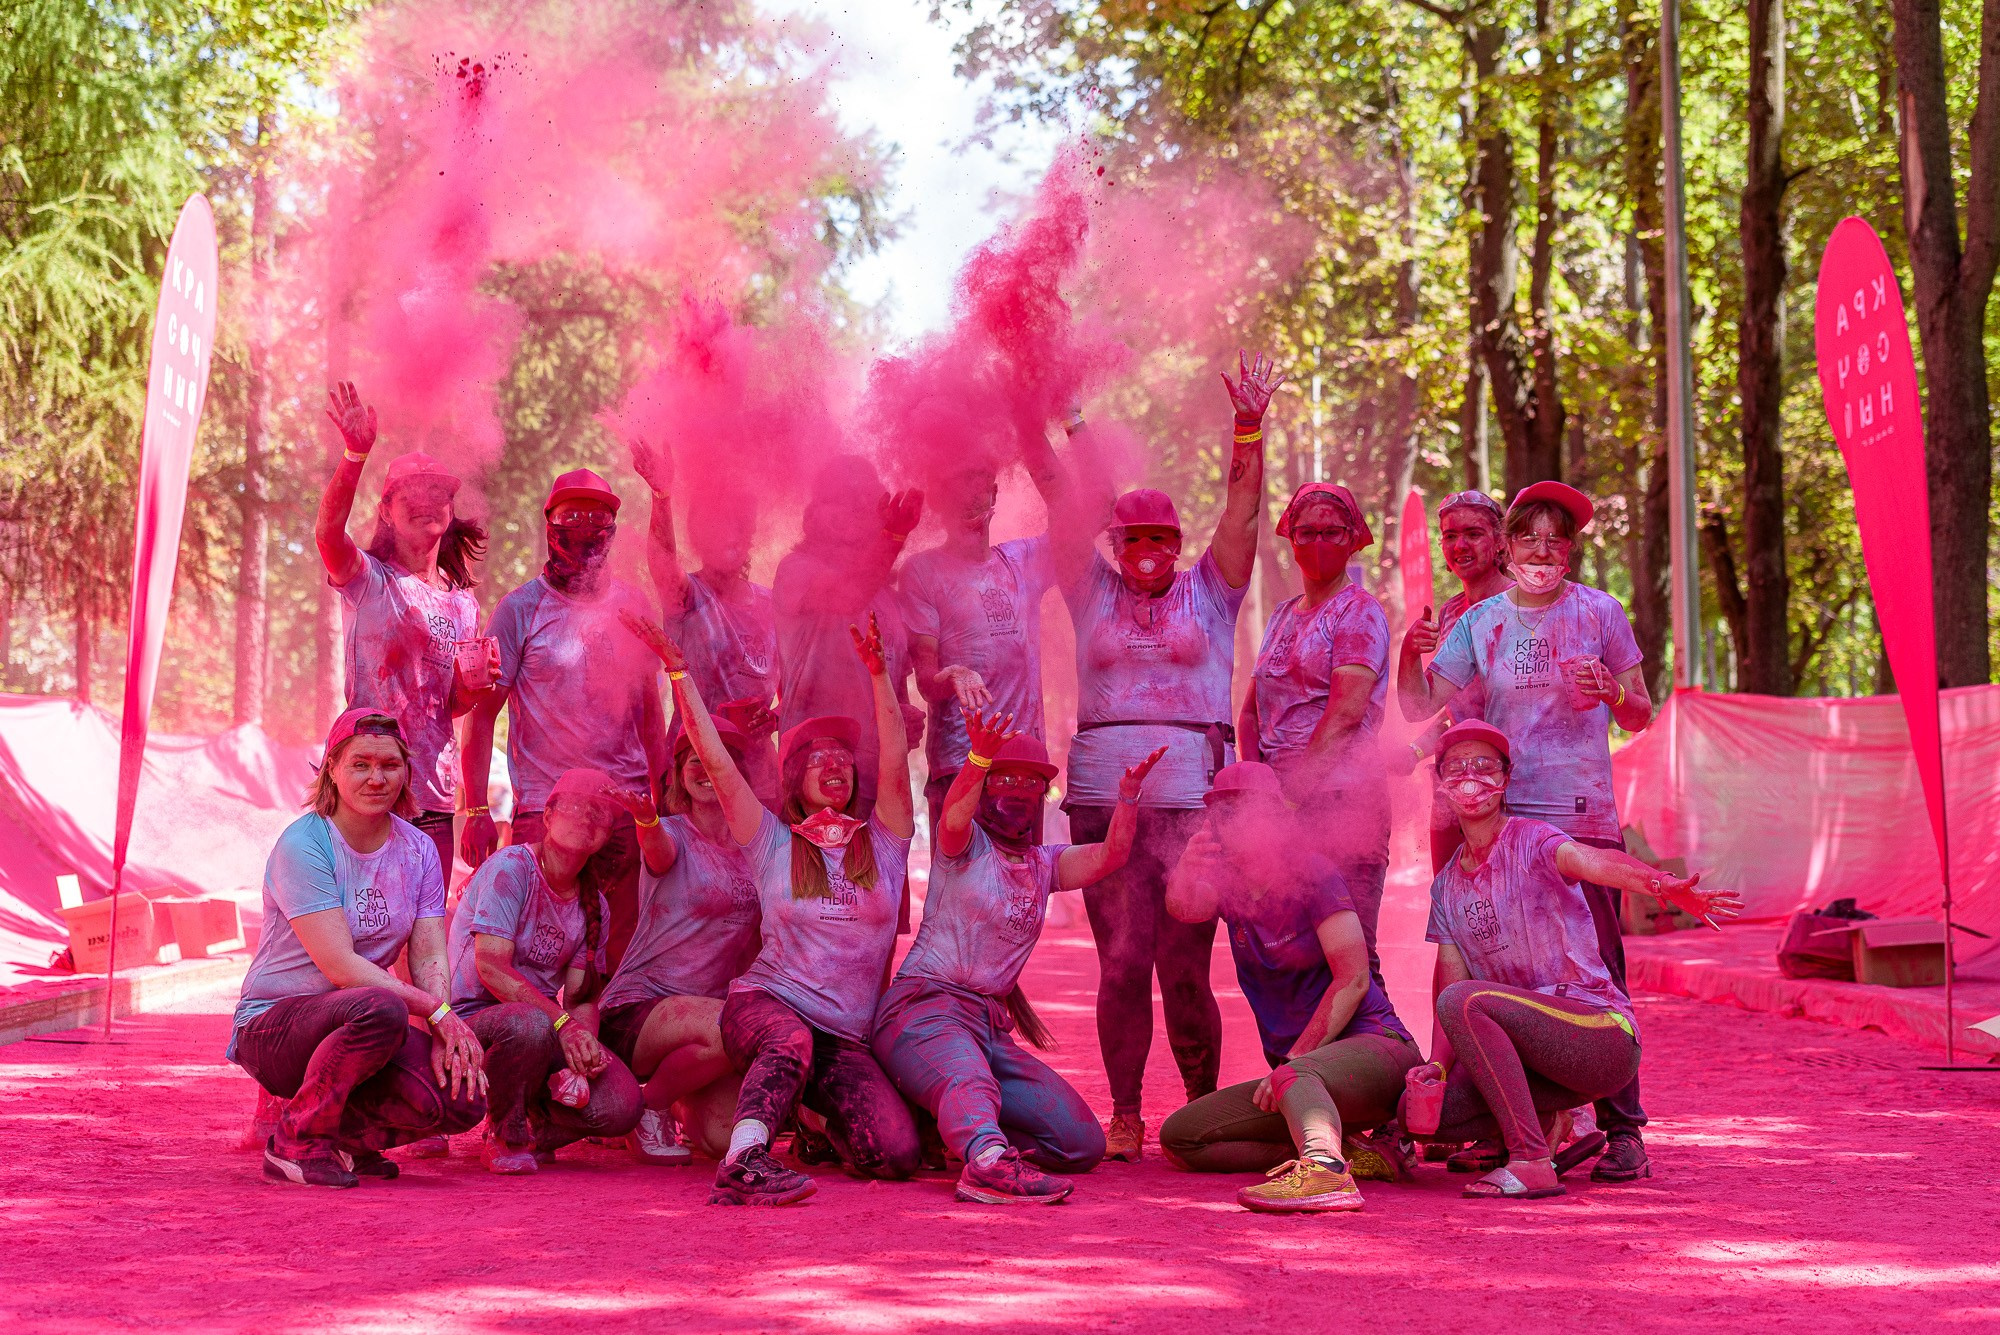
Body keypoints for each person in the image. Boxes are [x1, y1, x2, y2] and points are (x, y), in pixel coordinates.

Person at [1050, 350, 1283, 1161]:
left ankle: (1198, 1106)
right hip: (1103, 799)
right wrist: (1074, 424)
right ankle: (1123, 1111)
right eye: (1131, 537)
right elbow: (1067, 502)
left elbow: (1244, 514)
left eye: (1159, 536)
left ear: (1177, 541)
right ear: (1114, 543)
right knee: (1120, 962)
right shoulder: (1088, 588)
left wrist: (1248, 428)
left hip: (1191, 804)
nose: (1145, 548)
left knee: (1185, 965)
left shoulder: (1210, 591)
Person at [1397, 479, 1661, 1182]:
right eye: (1529, 537)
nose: (1542, 549)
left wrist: (1613, 692)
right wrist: (1406, 650)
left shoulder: (1601, 612)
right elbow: (1421, 704)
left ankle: (1624, 1128)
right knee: (1510, 966)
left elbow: (1643, 713)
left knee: (1597, 969)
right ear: (1509, 550)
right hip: (1507, 823)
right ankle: (1533, 1120)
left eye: (1556, 537)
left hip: (1584, 818)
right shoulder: (1480, 623)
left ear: (1569, 552)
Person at [622, 606, 920, 1206]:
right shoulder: (770, 840)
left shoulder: (884, 841)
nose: (833, 763)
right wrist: (680, 673)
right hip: (767, 1009)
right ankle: (745, 1163)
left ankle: (811, 1120)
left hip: (841, 1036)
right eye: (816, 759)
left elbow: (894, 762)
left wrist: (881, 676)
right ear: (792, 783)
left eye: (842, 758)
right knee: (788, 1041)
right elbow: (714, 761)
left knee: (894, 1154)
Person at [1414, 720, 1739, 1200]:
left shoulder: (1533, 839)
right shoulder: (1445, 887)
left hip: (1600, 1037)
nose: (1471, 776)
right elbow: (1448, 985)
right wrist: (1437, 1070)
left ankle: (1530, 1160)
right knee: (1421, 1114)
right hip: (1539, 1065)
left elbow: (1593, 860)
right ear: (1441, 788)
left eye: (1485, 765)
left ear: (1505, 780)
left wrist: (1661, 884)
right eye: (1458, 766)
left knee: (1466, 1001)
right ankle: (1549, 1120)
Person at [873, 712, 1164, 1203]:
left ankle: (954, 1128)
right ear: (985, 787)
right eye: (1005, 779)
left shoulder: (1043, 864)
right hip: (924, 1011)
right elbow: (952, 818)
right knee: (967, 1079)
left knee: (1080, 1144)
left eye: (1033, 783)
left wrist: (1129, 795)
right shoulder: (962, 847)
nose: (1019, 790)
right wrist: (977, 758)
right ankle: (986, 1162)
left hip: (988, 1027)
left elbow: (1111, 856)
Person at [229, 708, 486, 1188]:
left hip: (362, 1020)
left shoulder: (419, 850)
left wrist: (443, 1029)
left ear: (407, 771)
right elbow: (340, 966)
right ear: (332, 768)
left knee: (462, 1097)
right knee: (381, 1007)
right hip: (273, 1027)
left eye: (389, 765)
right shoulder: (305, 843)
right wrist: (434, 1013)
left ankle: (348, 1141)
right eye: (360, 764)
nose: (376, 778)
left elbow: (429, 953)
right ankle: (295, 1143)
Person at [1156, 763, 1420, 1214]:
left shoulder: (1313, 873)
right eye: (1223, 813)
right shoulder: (1230, 887)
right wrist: (1184, 868)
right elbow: (1184, 908)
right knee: (1181, 1138)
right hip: (1297, 1081)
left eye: (1243, 810)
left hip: (1378, 1051)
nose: (1231, 824)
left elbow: (1354, 977)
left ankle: (1324, 1171)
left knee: (1294, 1074)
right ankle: (1347, 1154)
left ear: (1275, 817)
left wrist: (1296, 1059)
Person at [461, 468, 669, 970]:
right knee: (536, 948)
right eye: (571, 516)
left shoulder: (632, 605)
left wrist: (663, 803)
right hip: (544, 808)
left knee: (619, 950)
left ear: (614, 530)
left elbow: (650, 714)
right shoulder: (519, 610)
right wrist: (474, 811)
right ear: (549, 523)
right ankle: (540, 1038)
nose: (585, 528)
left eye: (599, 518)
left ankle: (610, 1044)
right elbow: (481, 715)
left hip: (623, 808)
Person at [315, 381, 496, 878]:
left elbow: (451, 704)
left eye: (438, 493)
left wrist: (473, 688)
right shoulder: (369, 579)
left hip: (432, 794)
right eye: (410, 494)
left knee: (424, 930)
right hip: (367, 783)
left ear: (451, 509)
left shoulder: (463, 605)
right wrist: (355, 455)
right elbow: (328, 535)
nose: (425, 502)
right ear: (386, 511)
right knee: (365, 928)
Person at [447, 767, 645, 1174]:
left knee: (623, 1104)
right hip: (470, 1026)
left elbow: (581, 998)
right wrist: (563, 1027)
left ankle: (529, 1122)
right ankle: (505, 1131)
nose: (587, 818)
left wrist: (584, 1044)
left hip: (540, 1028)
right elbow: (490, 967)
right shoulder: (512, 868)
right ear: (549, 815)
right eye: (576, 806)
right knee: (529, 1024)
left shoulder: (596, 907)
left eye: (600, 813)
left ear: (608, 834)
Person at [1238, 481, 1392, 970]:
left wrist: (1290, 797)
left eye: (1332, 532)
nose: (1319, 543)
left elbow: (1345, 715)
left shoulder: (1359, 612)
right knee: (1291, 952)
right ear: (1290, 538)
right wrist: (1256, 791)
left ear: (1354, 539)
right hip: (1283, 805)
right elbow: (1250, 712)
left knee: (1349, 957)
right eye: (1307, 533)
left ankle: (1379, 1046)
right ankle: (1305, 1050)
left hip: (1345, 804)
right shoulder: (1282, 616)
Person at [597, 718, 763, 1165]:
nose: (706, 768)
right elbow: (656, 849)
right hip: (639, 1007)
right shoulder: (671, 833)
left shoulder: (755, 848)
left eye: (717, 759)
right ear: (678, 775)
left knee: (721, 1141)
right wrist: (646, 820)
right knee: (741, 1029)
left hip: (705, 1015)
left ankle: (665, 1093)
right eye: (695, 760)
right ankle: (645, 1107)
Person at [901, 426, 1071, 836]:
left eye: (979, 488)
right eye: (956, 492)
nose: (969, 499)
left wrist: (1033, 423)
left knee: (1022, 891)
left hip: (1024, 768)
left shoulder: (1025, 559)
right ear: (938, 506)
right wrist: (955, 673)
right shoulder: (923, 571)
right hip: (960, 768)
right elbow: (926, 679)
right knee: (962, 893)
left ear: (994, 496)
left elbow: (1082, 515)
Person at [773, 454, 925, 822]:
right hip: (815, 771)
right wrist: (894, 537)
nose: (854, 513)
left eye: (864, 503)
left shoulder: (887, 596)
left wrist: (904, 715)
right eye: (842, 501)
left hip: (880, 774)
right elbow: (848, 595)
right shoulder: (796, 571)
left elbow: (894, 676)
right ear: (817, 513)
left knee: (882, 879)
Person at [630, 438, 782, 806]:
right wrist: (662, 496)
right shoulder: (688, 597)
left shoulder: (772, 604)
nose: (728, 534)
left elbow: (791, 690)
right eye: (715, 525)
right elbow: (663, 561)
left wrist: (774, 718)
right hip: (692, 768)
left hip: (758, 777)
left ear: (749, 536)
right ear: (697, 536)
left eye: (737, 525)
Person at [1397, 489, 1514, 874]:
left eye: (1473, 533)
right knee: (1451, 896)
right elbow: (1452, 713)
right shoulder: (1448, 614)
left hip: (1513, 785)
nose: (1459, 544)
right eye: (1449, 535)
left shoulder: (1525, 605)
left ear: (1499, 542)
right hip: (1454, 782)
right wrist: (1414, 751)